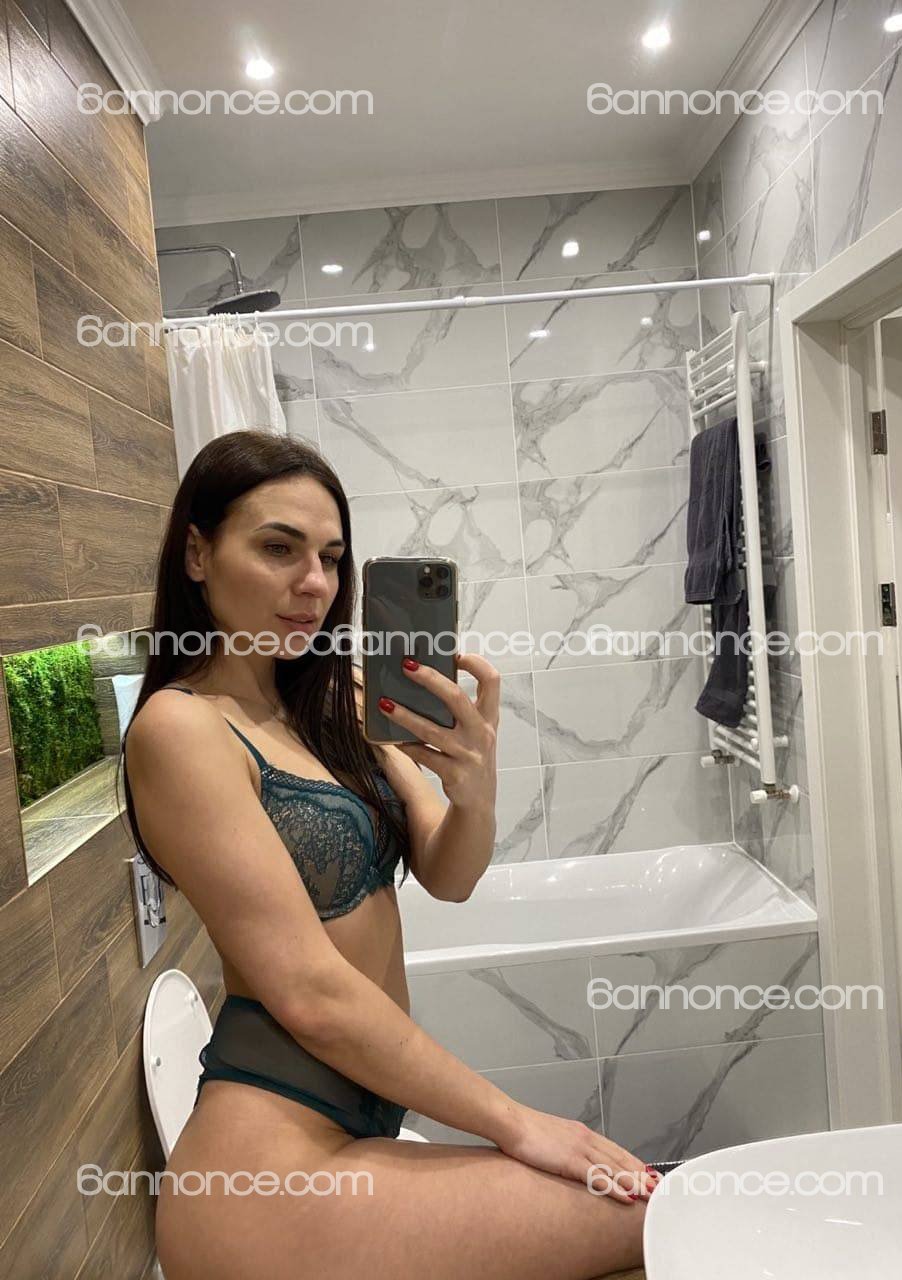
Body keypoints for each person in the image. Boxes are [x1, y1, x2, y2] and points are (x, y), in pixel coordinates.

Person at [123, 430, 659, 1280]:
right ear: (197, 553)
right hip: (267, 1175)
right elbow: (311, 993)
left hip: (353, 1127)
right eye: (279, 548)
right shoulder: (181, 729)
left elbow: (451, 874)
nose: (315, 583)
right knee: (657, 1225)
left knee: (646, 1227)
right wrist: (517, 1123)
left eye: (332, 558)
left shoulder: (336, 701)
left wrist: (475, 787)